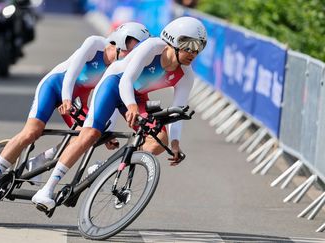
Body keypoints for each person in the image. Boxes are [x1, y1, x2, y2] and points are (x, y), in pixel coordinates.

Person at [32, 16, 207, 210]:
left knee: (159, 140)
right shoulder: (152, 47)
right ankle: (47, 189)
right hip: (114, 84)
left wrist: (175, 144)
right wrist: (131, 106)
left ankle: (105, 166)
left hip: (136, 96)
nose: (194, 52)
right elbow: (126, 80)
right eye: (188, 45)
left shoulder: (186, 75)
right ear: (172, 40)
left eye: (200, 46)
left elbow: (178, 112)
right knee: (89, 134)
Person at [0, 22, 151, 205]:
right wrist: (67, 98)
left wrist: (109, 132)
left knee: (87, 136)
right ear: (121, 42)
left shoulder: (122, 67)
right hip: (55, 86)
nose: (134, 58)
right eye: (131, 51)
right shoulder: (95, 44)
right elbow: (72, 72)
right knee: (31, 132)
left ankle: (40, 161)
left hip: (78, 97)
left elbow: (110, 100)